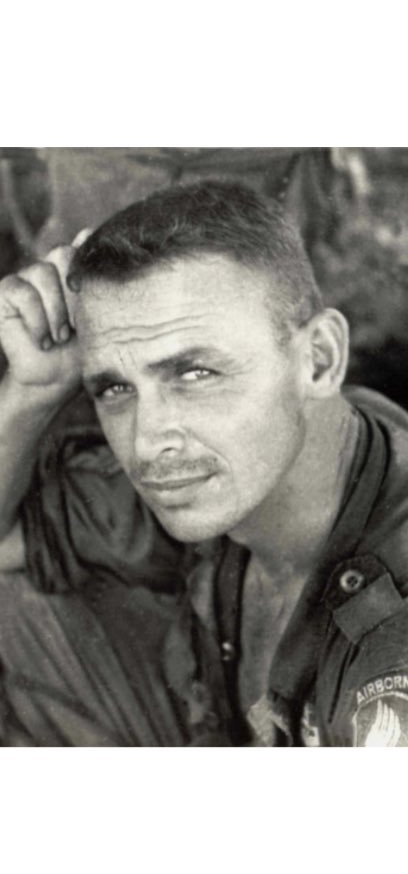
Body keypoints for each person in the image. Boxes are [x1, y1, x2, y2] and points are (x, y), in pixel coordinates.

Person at [1, 180, 408, 747]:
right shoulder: (246, 455)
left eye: (195, 373)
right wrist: (33, 392)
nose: (147, 440)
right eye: (116, 388)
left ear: (319, 360)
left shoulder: (391, 649)